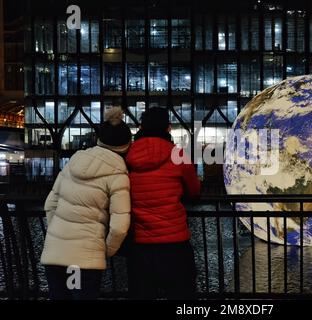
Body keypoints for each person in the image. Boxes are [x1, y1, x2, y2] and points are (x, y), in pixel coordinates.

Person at [40, 107, 132, 300]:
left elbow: (50, 205)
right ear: (125, 146)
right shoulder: (118, 174)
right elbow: (119, 227)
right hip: (86, 260)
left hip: (54, 255)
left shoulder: (74, 161)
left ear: (99, 139)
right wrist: (106, 250)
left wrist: (57, 232)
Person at [126, 107, 201, 300]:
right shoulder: (178, 154)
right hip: (175, 244)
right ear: (168, 128)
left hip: (140, 245)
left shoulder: (128, 156)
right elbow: (194, 190)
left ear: (140, 127)